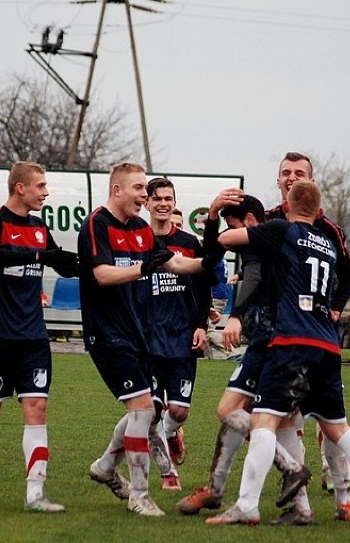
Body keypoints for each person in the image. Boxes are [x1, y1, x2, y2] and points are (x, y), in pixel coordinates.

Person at [206, 180, 350, 527]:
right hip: (327, 344)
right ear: (319, 210)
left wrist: (220, 217)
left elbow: (226, 239)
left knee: (263, 421)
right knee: (338, 428)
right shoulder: (327, 243)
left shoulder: (283, 229)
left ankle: (247, 505)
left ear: (289, 204)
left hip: (291, 343)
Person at [78, 162, 212, 517]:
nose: (144, 196)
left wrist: (205, 262)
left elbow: (171, 262)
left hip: (137, 333)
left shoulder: (140, 228)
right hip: (108, 333)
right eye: (139, 189)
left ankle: (107, 466)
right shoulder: (97, 224)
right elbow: (102, 275)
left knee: (147, 409)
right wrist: (142, 269)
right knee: (142, 408)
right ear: (117, 189)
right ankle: (140, 494)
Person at [0, 161, 80, 513]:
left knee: (37, 407)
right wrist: (39, 254)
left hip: (33, 335)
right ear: (20, 188)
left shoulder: (39, 226)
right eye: (40, 186)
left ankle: (35, 495)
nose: (46, 192)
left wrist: (104, 266)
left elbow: (60, 261)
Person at [177, 191, 313, 524]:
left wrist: (236, 314)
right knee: (260, 419)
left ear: (249, 222)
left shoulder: (261, 239)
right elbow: (212, 256)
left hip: (271, 341)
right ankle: (218, 489)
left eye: (231, 224)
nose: (229, 234)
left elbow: (250, 274)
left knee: (235, 412)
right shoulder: (282, 235)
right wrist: (211, 215)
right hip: (284, 339)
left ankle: (292, 474)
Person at [264, 151, 350, 523]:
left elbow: (349, 276)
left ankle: (345, 499)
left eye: (299, 173)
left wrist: (336, 308)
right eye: (286, 173)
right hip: (279, 335)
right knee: (286, 420)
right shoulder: (270, 221)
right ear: (278, 181)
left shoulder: (329, 228)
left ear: (311, 181)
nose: (291, 178)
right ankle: (298, 501)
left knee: (330, 422)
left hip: (318, 336)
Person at [144, 177, 212, 491]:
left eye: (168, 199)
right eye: (156, 198)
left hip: (183, 334)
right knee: (152, 410)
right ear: (146, 203)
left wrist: (201, 325)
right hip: (149, 337)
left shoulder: (189, 242)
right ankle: (168, 472)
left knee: (179, 411)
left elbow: (203, 287)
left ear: (174, 203)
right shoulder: (137, 240)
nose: (162, 203)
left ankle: (172, 434)